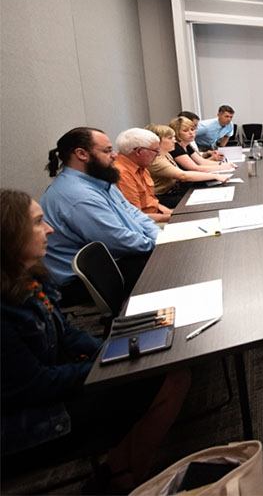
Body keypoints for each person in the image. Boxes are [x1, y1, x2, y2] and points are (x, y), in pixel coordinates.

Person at [0, 189, 190, 492]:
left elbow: (66, 332)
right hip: (34, 419)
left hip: (58, 382)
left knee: (163, 368)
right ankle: (123, 479)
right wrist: (105, 366)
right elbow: (33, 385)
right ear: (9, 236)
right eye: (37, 223)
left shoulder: (31, 276)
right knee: (166, 376)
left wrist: (106, 352)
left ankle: (119, 472)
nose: (49, 229)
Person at [41, 127, 159, 298]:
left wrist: (158, 237)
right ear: (81, 154)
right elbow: (115, 240)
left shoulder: (99, 181)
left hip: (117, 258)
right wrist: (157, 244)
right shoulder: (77, 195)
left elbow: (134, 213)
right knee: (173, 267)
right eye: (107, 150)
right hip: (91, 279)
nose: (114, 155)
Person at [145, 124, 229, 208]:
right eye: (170, 138)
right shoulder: (156, 160)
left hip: (174, 190)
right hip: (164, 196)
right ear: (156, 141)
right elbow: (183, 175)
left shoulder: (166, 154)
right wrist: (215, 175)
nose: (174, 141)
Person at [114, 128, 172, 224]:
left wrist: (175, 214)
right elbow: (135, 216)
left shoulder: (141, 166)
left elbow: (152, 202)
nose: (158, 154)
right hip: (146, 224)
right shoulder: (122, 174)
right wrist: (169, 217)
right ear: (139, 151)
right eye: (156, 150)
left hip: (156, 217)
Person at [169, 116, 236, 173]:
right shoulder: (176, 147)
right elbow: (195, 168)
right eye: (185, 131)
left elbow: (202, 162)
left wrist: (223, 164)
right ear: (176, 133)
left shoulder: (187, 145)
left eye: (192, 129)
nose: (191, 133)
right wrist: (223, 167)